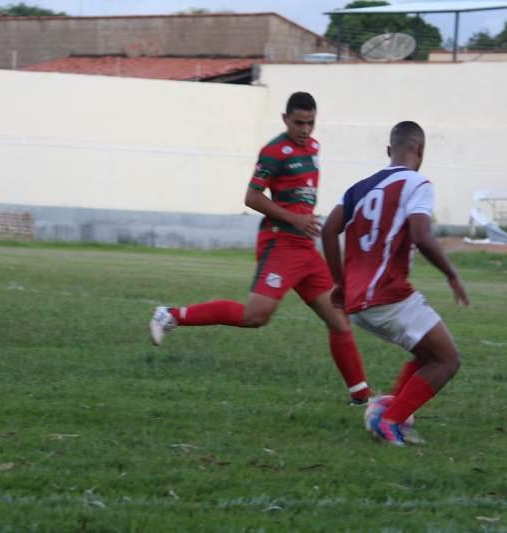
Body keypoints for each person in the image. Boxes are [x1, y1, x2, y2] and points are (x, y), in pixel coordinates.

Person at [149, 91, 371, 405]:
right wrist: (295, 217)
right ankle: (171, 315)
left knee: (338, 319)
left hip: (305, 247)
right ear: (285, 119)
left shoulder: (315, 147)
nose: (305, 129)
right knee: (256, 316)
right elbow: (252, 197)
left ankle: (362, 397)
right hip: (280, 243)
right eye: (298, 123)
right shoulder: (273, 152)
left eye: (310, 123)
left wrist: (306, 220)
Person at [321, 120, 469, 446]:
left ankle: (391, 409)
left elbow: (328, 230)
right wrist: (451, 274)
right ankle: (390, 421)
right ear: (420, 149)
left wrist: (340, 283)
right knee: (447, 360)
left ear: (390, 150)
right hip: (388, 295)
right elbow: (421, 234)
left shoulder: (358, 188)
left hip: (358, 302)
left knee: (429, 354)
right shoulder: (417, 183)